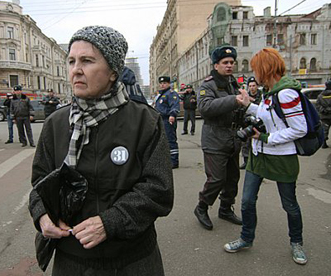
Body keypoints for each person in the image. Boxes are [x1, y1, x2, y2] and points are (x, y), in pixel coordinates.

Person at [29, 25, 174, 275]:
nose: (76, 70)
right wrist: (42, 215)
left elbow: (159, 190)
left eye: (87, 61)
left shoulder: (144, 121)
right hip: (72, 260)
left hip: (132, 259)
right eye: (71, 61)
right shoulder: (56, 123)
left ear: (113, 72)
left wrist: (109, 222)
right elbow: (40, 183)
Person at [224, 48, 309, 265]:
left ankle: (296, 242)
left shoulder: (286, 93)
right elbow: (267, 116)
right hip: (258, 155)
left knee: (289, 204)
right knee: (247, 202)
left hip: (281, 157)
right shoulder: (269, 92)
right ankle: (246, 238)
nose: (254, 73)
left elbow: (300, 129)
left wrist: (264, 136)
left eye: (255, 69)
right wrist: (248, 105)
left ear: (265, 69)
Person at [194, 45, 245, 231]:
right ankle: (201, 207)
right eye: (225, 63)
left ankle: (225, 209)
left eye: (232, 62)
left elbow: (240, 109)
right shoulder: (208, 85)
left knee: (232, 179)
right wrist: (234, 100)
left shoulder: (233, 83)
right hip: (214, 139)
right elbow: (205, 108)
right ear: (216, 65)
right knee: (216, 179)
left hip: (232, 138)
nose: (229, 66)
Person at [154, 76, 180, 168]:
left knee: (170, 140)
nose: (162, 85)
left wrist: (172, 115)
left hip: (168, 119)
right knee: (162, 140)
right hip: (160, 119)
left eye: (164, 83)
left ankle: (174, 161)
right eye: (161, 83)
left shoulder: (171, 94)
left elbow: (175, 105)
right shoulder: (161, 94)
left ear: (169, 84)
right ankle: (166, 159)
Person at [240, 77, 262, 169]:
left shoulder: (261, 96)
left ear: (257, 86)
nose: (252, 88)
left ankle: (258, 162)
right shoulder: (246, 96)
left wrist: (252, 101)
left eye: (254, 85)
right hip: (247, 122)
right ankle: (246, 161)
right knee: (245, 144)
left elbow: (261, 108)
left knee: (257, 142)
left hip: (258, 123)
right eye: (250, 86)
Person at [316, 80, 331, 148]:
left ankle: (324, 143)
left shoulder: (320, 95)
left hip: (324, 116)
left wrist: (324, 110)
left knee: (325, 130)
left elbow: (317, 106)